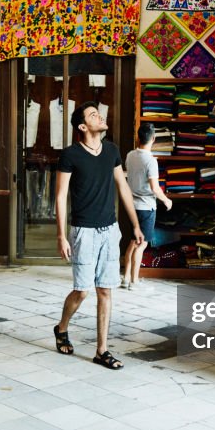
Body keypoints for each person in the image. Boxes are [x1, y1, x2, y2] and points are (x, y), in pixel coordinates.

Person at [53, 102, 144, 370]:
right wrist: (61, 235)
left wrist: (135, 225)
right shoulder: (70, 155)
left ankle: (101, 350)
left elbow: (124, 189)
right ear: (82, 126)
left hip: (109, 230)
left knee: (105, 289)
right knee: (82, 291)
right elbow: (60, 196)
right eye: (93, 114)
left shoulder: (112, 150)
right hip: (83, 231)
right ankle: (61, 328)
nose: (100, 116)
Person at [122, 123, 172, 289]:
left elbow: (127, 175)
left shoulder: (130, 155)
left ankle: (126, 278)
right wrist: (166, 200)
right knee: (141, 244)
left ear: (139, 137)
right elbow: (154, 187)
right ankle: (134, 281)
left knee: (132, 242)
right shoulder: (151, 161)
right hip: (146, 207)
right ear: (154, 139)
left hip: (132, 206)